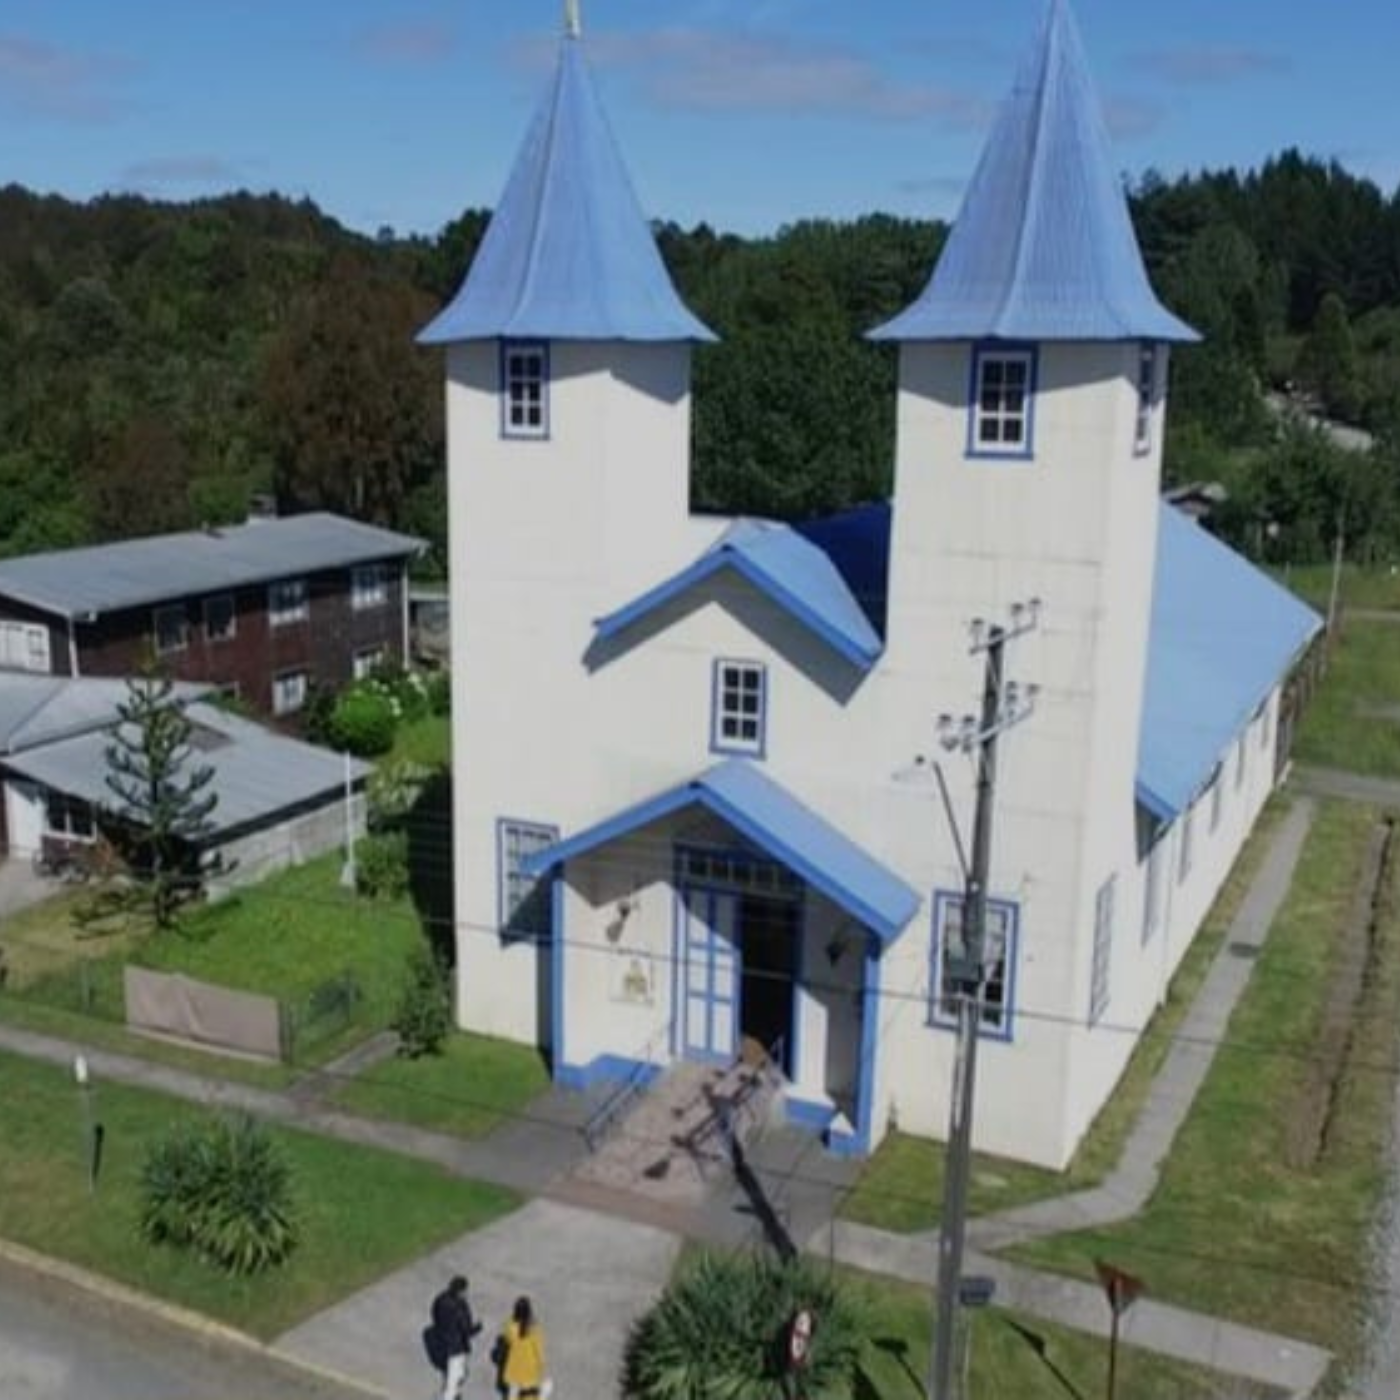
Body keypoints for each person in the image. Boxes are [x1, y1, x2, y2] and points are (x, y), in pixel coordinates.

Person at [430, 1274, 481, 1400]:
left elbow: (434, 1314)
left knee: (455, 1374)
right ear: (460, 1291)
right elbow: (467, 1330)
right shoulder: (459, 1306)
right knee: (455, 1379)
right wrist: (478, 1327)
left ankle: (453, 1393)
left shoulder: (440, 1299)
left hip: (441, 1342)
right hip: (456, 1348)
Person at [498, 1295, 553, 1400]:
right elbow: (538, 1348)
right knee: (529, 1392)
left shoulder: (510, 1326)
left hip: (514, 1365)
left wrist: (513, 1318)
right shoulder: (533, 1328)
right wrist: (541, 1364)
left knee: (513, 1392)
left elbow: (507, 1338)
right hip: (530, 1366)